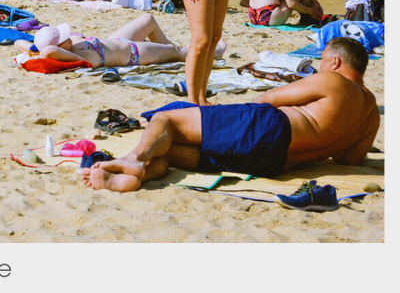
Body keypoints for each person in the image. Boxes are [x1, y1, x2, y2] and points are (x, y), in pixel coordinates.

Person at [80, 38, 379, 193]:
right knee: (170, 151)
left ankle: (133, 160)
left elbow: (268, 100)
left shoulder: (336, 81)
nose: (321, 65)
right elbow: (348, 161)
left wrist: (230, 115)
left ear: (335, 61)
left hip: (270, 128)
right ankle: (137, 175)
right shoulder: (370, 115)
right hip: (275, 163)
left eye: (323, 60)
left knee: (168, 120)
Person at [14, 13, 224, 69]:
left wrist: (35, 47)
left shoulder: (68, 45)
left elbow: (18, 44)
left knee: (148, 20)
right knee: (173, 50)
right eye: (64, 37)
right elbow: (49, 52)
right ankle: (210, 53)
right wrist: (43, 50)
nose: (69, 36)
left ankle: (170, 50)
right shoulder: (79, 57)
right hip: (133, 54)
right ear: (58, 46)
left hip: (117, 40)